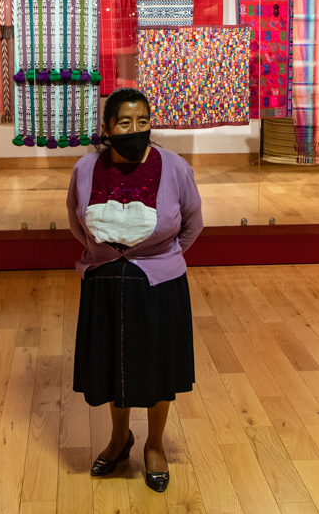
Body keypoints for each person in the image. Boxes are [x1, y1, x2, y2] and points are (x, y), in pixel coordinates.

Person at [66, 87, 203, 492]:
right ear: (107, 127)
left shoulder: (175, 168)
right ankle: (119, 438)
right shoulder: (85, 169)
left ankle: (155, 444)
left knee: (159, 366)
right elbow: (77, 223)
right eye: (125, 122)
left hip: (160, 282)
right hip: (106, 281)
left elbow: (193, 223)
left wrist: (163, 258)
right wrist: (102, 255)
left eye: (143, 121)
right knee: (114, 365)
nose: (135, 129)